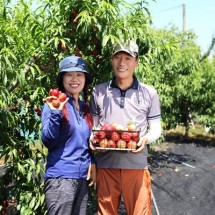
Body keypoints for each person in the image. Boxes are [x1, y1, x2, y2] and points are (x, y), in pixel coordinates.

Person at [90, 40, 162, 215]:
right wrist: (93, 138)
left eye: (128, 58)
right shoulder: (98, 92)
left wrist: (145, 138)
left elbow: (156, 128)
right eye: (117, 57)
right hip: (107, 166)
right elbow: (94, 125)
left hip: (136, 167)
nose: (122, 63)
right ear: (111, 60)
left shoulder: (149, 93)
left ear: (136, 61)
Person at [41, 56, 96, 215]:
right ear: (62, 79)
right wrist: (56, 111)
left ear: (85, 79)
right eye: (69, 74)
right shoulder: (53, 104)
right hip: (61, 178)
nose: (74, 79)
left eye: (79, 75)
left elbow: (86, 142)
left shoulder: (85, 108)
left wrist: (92, 162)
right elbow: (48, 141)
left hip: (82, 179)